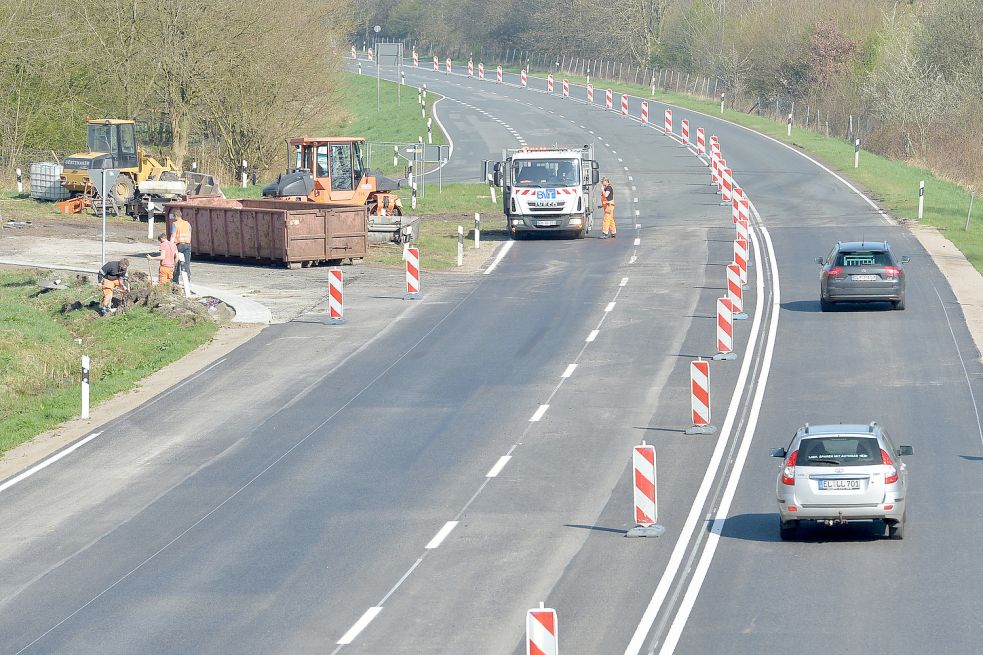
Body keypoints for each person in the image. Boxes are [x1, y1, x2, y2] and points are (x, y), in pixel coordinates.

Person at [169, 208, 192, 282]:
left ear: (176, 216)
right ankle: (187, 280)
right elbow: (190, 233)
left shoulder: (175, 224)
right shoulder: (187, 223)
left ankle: (175, 281)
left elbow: (173, 236)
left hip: (179, 245)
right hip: (188, 245)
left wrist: (170, 247)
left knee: (176, 263)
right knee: (186, 264)